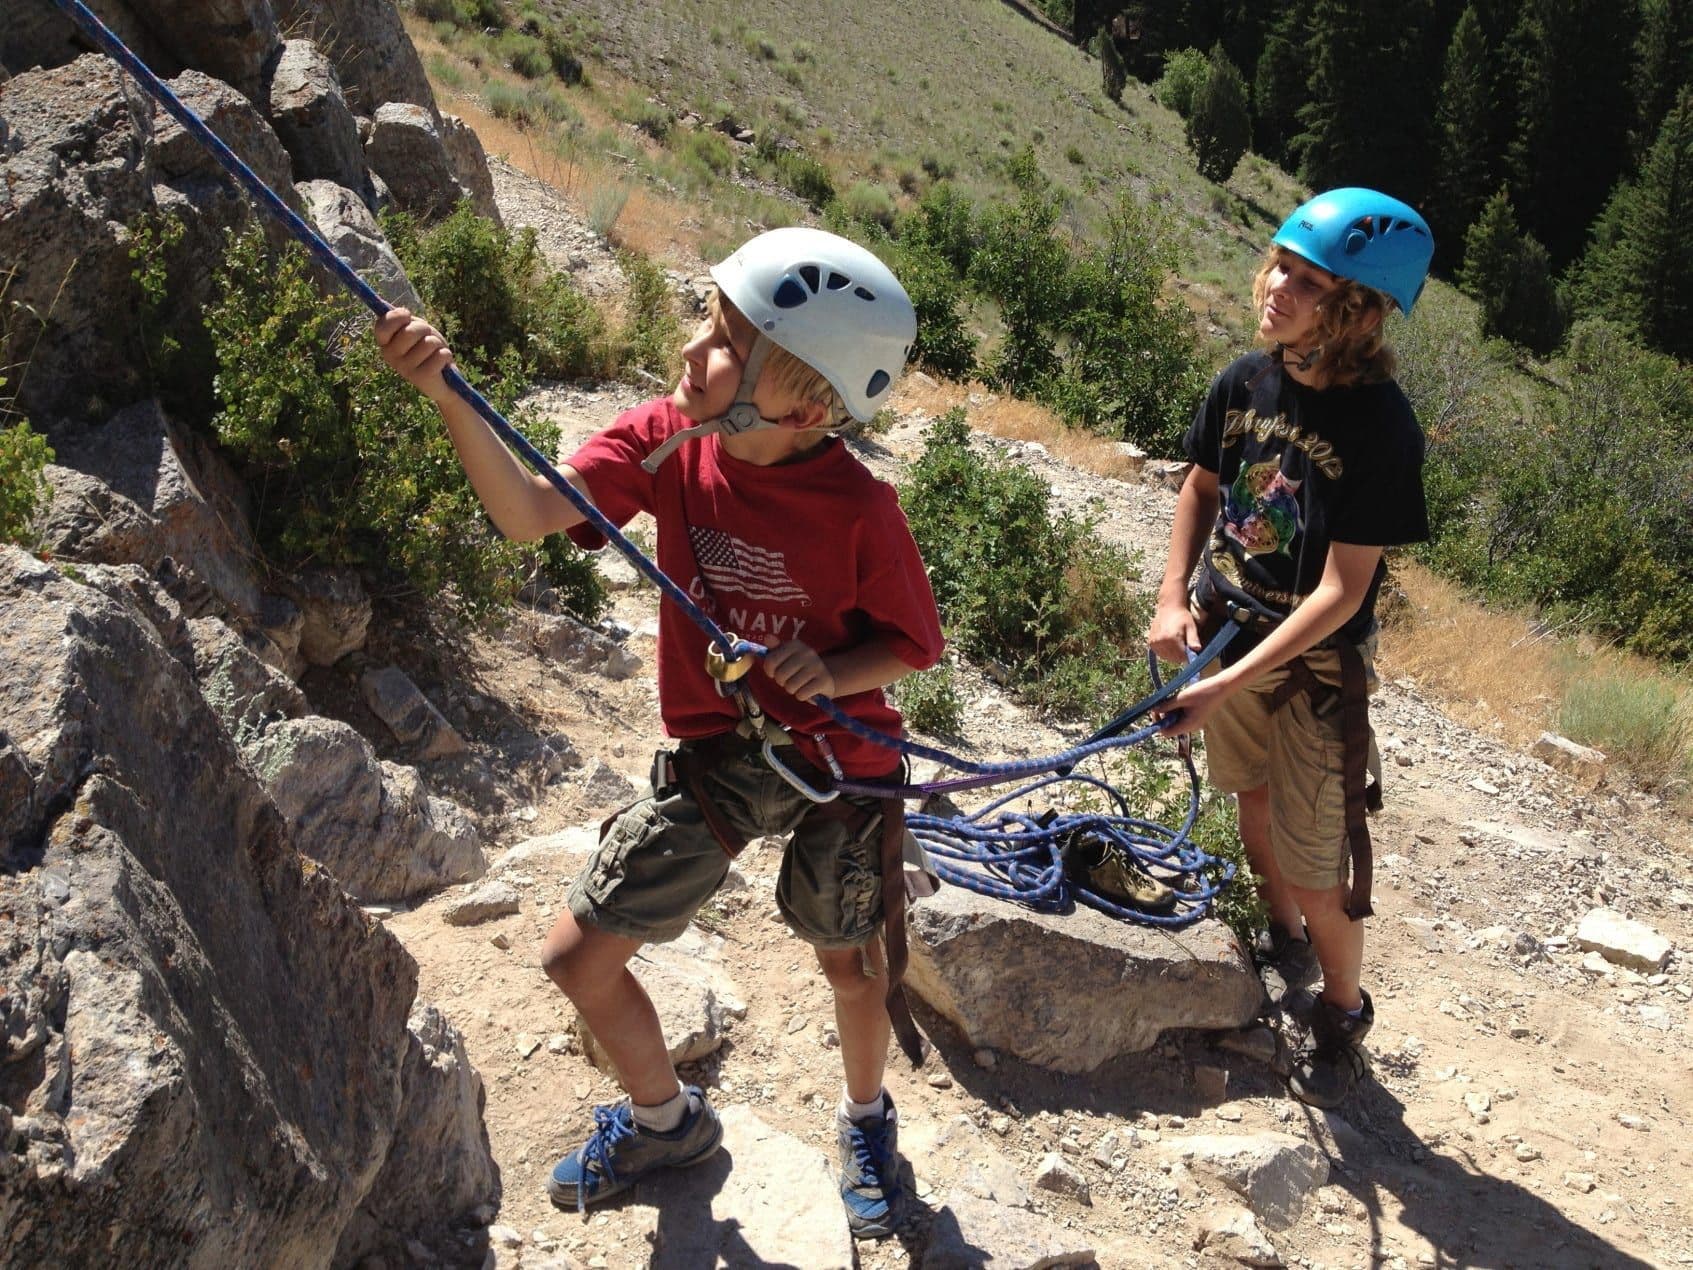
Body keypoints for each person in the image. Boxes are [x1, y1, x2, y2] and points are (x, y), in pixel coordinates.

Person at [376, 226, 942, 1238]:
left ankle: (865, 1118)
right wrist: (446, 395)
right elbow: (526, 513)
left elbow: (911, 644)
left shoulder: (860, 508)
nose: (692, 349)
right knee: (576, 957)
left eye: (727, 342)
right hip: (725, 753)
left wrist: (832, 671)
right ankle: (664, 1121)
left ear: (805, 406)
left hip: (834, 760)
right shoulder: (665, 441)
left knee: (848, 961)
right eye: (706, 319)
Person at [1148, 189, 1434, 1108]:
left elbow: (1343, 590)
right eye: (1278, 264)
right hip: (1225, 627)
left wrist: (1222, 680)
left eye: (1306, 282)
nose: (1276, 287)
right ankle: (1280, 940)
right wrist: (1168, 601)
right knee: (1251, 804)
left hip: (1309, 669)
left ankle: (1340, 1011)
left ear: (1352, 313)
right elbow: (1200, 485)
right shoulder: (1246, 380)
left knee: (1321, 871)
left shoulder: (1382, 427)